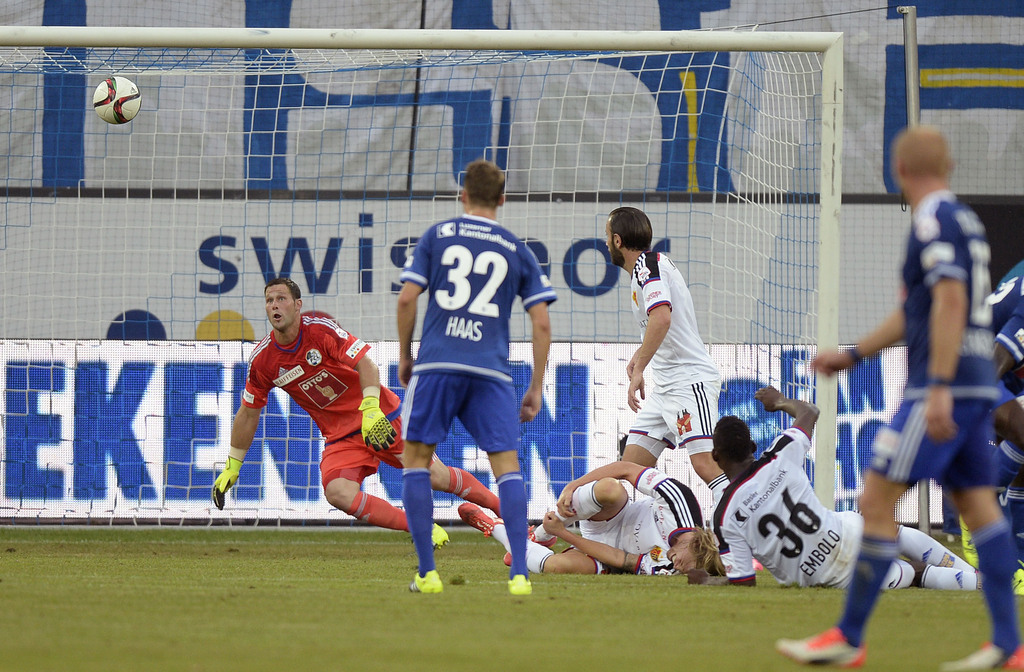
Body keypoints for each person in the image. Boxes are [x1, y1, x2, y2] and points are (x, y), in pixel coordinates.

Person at [775, 126, 1023, 670]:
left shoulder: (931, 220)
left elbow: (951, 300)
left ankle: (849, 635)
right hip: (980, 384)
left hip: (946, 387)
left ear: (898, 168)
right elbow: (918, 310)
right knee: (980, 507)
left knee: (875, 500)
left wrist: (935, 387)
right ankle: (1010, 645)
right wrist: (855, 353)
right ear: (950, 164)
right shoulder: (966, 222)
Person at [211, 277, 502, 547]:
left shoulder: (320, 330)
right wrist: (233, 465)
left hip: (380, 417)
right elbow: (249, 412)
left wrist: (371, 409)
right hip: (341, 437)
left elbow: (367, 365)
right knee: (337, 492)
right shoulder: (264, 361)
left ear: (297, 305)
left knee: (436, 477)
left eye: (281, 299)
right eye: (269, 300)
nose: (274, 305)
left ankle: (505, 511)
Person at [396, 159, 556, 595]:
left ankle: (428, 573)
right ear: (502, 199)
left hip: (438, 364)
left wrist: (406, 356)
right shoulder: (515, 247)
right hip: (491, 371)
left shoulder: (438, 236)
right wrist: (536, 386)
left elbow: (408, 298)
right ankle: (520, 574)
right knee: (507, 468)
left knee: (415, 461)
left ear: (461, 195)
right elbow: (541, 323)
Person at [690, 386, 978, 592]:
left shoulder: (724, 515)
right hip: (844, 531)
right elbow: (810, 411)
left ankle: (978, 582)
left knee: (915, 573)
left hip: (830, 576)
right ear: (752, 448)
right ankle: (977, 576)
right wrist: (779, 401)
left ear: (715, 456)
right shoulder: (782, 454)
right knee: (891, 530)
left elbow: (743, 581)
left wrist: (706, 580)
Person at [603, 206, 728, 504]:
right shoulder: (644, 271)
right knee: (631, 467)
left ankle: (745, 534)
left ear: (618, 241)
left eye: (607, 237)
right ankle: (663, 525)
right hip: (666, 388)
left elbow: (662, 319)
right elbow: (662, 324)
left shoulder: (648, 264)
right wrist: (640, 355)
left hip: (689, 381)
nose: (606, 243)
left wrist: (638, 371)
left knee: (704, 465)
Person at [458, 460, 722, 577]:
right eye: (687, 565)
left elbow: (620, 559)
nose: (678, 568)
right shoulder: (678, 500)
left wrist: (564, 533)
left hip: (605, 554)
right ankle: (540, 535)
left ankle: (497, 529)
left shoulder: (668, 568)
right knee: (609, 488)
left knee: (556, 568)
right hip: (611, 516)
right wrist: (573, 486)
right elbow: (626, 469)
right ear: (698, 545)